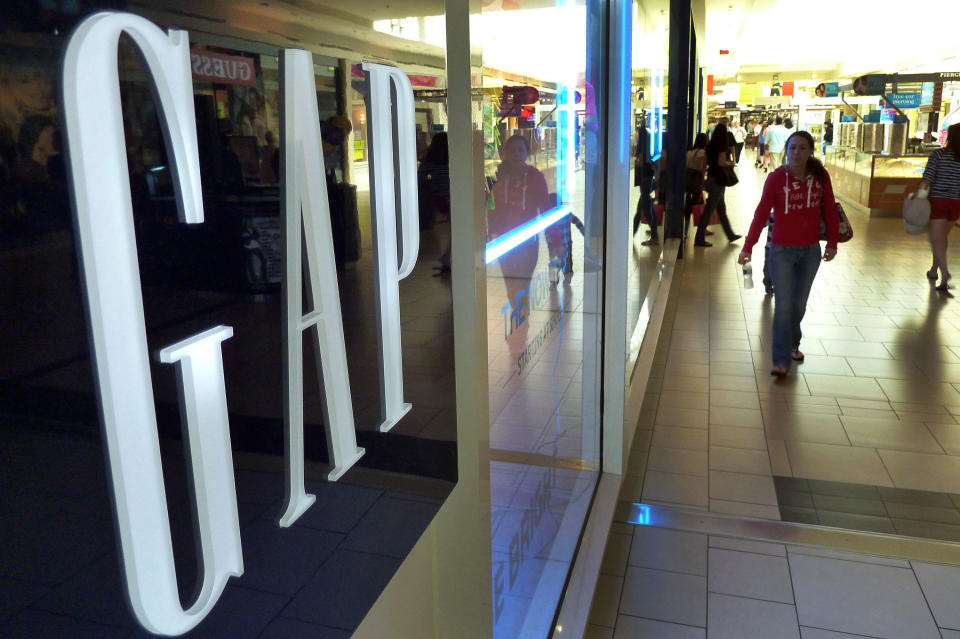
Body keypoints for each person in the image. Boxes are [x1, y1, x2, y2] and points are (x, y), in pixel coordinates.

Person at [738, 130, 839, 376]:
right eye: (793, 148)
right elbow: (761, 214)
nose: (797, 152)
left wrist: (832, 242)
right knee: (783, 305)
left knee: (799, 304)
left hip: (810, 252)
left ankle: (794, 341)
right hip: (781, 250)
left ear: (810, 151)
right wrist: (748, 246)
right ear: (787, 150)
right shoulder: (776, 178)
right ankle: (781, 360)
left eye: (802, 148)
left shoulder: (820, 177)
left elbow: (829, 209)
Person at [921, 122, 960, 291]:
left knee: (937, 240)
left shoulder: (938, 155)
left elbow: (928, 179)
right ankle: (934, 270)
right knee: (941, 238)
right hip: (956, 202)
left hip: (938, 201)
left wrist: (918, 196)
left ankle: (945, 273)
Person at [693, 123, 742, 247]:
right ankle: (699, 238)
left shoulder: (709, 146)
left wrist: (702, 181)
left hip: (711, 179)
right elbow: (721, 162)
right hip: (718, 181)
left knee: (721, 210)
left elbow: (704, 165)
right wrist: (729, 163)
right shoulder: (721, 146)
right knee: (709, 211)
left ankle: (730, 235)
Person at [684, 132, 708, 239]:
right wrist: (702, 182)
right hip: (696, 182)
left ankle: (685, 230)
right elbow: (699, 168)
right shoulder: (702, 152)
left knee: (688, 206)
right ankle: (702, 229)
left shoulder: (689, 152)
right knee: (700, 206)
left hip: (688, 181)